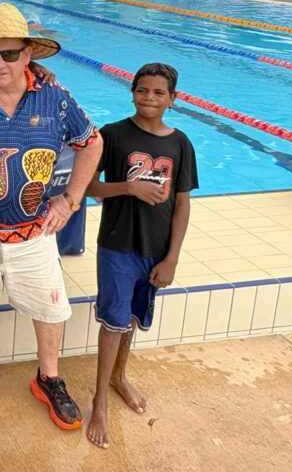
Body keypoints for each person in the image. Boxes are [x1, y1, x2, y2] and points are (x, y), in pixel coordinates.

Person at [0, 2, 102, 431]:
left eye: (9, 53)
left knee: (50, 309)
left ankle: (48, 376)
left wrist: (70, 201)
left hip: (35, 229)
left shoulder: (54, 97)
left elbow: (92, 141)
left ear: (27, 54)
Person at [85, 63, 198, 450]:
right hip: (118, 245)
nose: (149, 98)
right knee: (113, 323)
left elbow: (182, 205)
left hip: (156, 250)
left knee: (131, 318)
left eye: (158, 93)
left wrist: (172, 259)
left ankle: (119, 377)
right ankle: (99, 399)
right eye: (143, 90)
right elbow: (89, 186)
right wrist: (128, 187)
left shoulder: (180, 143)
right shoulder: (113, 135)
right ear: (131, 91)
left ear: (173, 98)